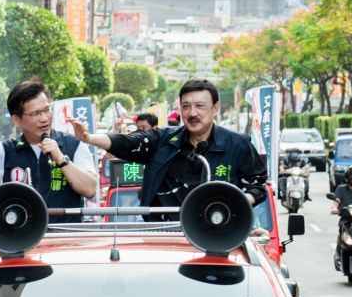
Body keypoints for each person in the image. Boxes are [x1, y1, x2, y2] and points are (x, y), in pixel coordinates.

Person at [66, 79, 268, 214]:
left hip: (217, 234)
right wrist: (89, 137)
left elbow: (257, 185)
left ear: (216, 108)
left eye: (200, 106)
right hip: (164, 236)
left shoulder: (238, 145)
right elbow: (128, 143)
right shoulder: (163, 140)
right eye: (186, 106)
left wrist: (234, 204)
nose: (192, 113)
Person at [0, 77, 98, 208]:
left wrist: (61, 159)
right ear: (17, 119)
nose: (44, 118)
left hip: (64, 240)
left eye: (46, 110)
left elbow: (90, 189)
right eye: (35, 113)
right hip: (20, 240)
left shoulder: (74, 145)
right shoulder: (6, 151)